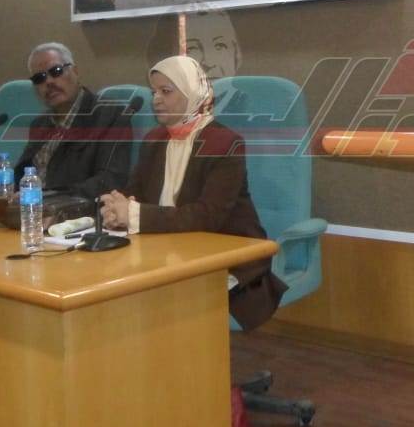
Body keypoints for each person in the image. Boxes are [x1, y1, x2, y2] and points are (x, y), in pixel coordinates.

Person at [99, 55, 286, 330]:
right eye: (153, 92)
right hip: (168, 249)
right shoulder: (154, 139)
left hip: (226, 254)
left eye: (166, 91)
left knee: (161, 303)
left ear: (192, 93)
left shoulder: (225, 143)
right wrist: (116, 206)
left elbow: (207, 215)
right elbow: (135, 192)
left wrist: (135, 215)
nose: (156, 99)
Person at [14, 42, 131, 199]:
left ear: (75, 71)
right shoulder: (39, 124)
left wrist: (48, 196)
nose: (48, 82)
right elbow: (21, 179)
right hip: (30, 207)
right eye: (39, 78)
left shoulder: (110, 115)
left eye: (56, 71)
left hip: (73, 210)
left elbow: (109, 181)